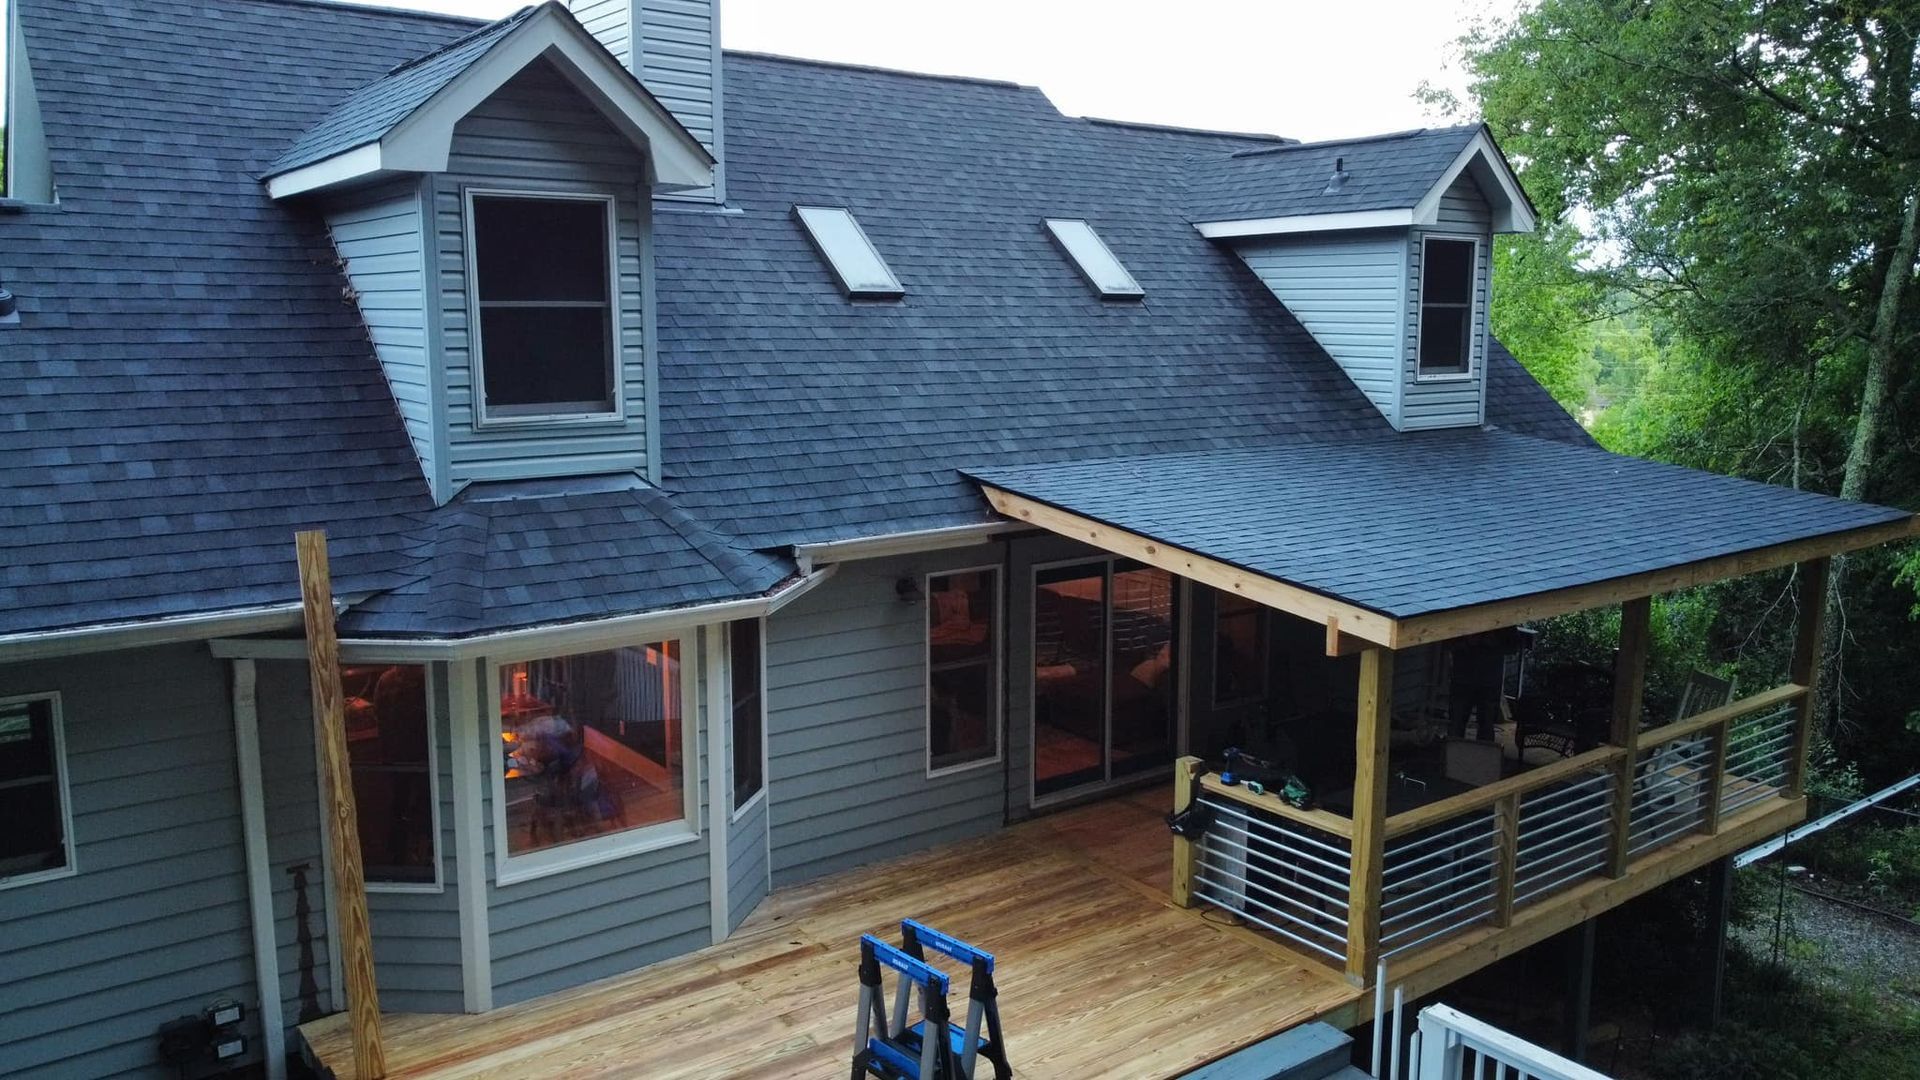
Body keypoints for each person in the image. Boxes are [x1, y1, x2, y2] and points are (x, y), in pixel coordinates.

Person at [1448, 633, 1507, 741]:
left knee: (1485, 723)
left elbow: (1512, 644)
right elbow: (1449, 642)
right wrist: (1466, 643)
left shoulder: (1501, 627)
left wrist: (1491, 643)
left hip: (1485, 680)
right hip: (1466, 678)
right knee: (1457, 721)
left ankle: (1482, 750)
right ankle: (1453, 748)